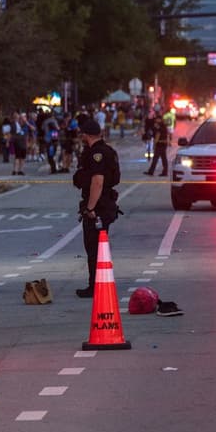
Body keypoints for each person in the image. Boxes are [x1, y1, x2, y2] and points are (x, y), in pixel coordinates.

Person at [72, 118, 121, 298]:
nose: (80, 137)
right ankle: (99, 282)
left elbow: (97, 182)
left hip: (99, 207)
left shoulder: (97, 154)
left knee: (93, 247)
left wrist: (90, 208)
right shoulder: (105, 150)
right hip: (105, 205)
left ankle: (95, 285)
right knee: (97, 247)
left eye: (82, 133)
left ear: (86, 134)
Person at [144, 109, 170, 176]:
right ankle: (164, 172)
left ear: (160, 120)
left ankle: (152, 171)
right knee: (163, 158)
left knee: (156, 158)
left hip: (160, 144)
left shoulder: (160, 127)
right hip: (163, 144)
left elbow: (158, 135)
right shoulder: (163, 126)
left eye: (157, 119)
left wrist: (155, 143)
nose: (155, 121)